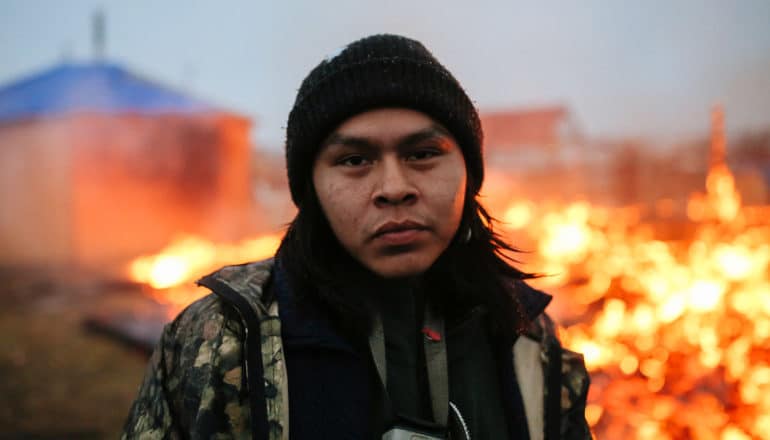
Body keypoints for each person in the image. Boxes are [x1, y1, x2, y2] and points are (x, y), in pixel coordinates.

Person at [123, 34, 591, 440]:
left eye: (424, 153)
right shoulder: (222, 340)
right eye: (354, 160)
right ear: (310, 189)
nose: (394, 188)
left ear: (469, 172)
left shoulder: (526, 338)